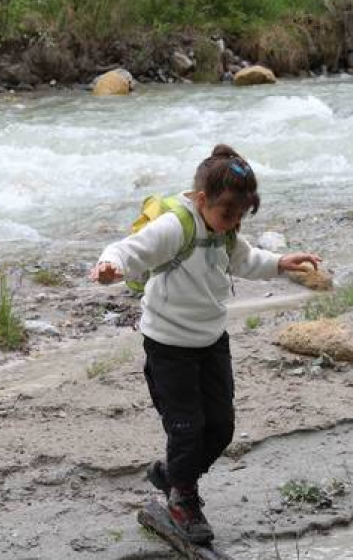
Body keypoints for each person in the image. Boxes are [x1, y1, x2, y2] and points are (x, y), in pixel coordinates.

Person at [89, 144, 321, 543]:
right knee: (186, 427)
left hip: (211, 341)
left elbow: (246, 260)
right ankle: (183, 499)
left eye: (240, 217)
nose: (232, 224)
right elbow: (128, 251)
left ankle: (171, 476)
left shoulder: (226, 233)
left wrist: (281, 262)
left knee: (221, 427)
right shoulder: (177, 226)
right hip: (168, 345)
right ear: (201, 200)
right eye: (227, 214)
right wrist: (111, 268)